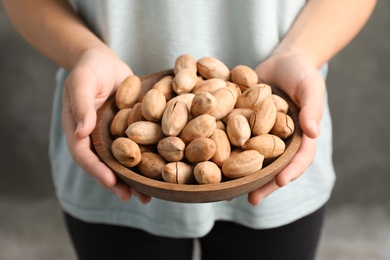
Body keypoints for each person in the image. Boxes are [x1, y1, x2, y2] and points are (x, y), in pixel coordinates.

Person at [3, 0, 376, 259]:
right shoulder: (143, 124)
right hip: (107, 142)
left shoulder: (248, 119)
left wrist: (302, 53)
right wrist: (82, 52)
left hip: (279, 157)